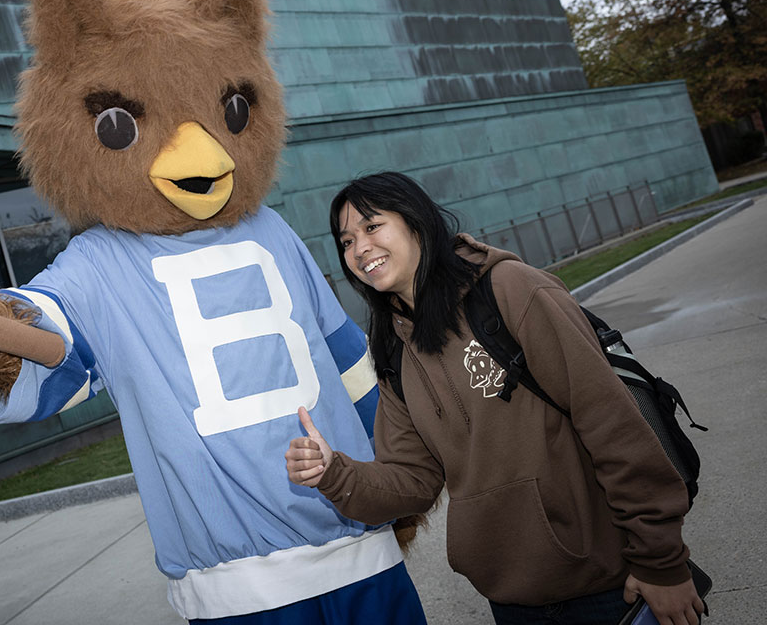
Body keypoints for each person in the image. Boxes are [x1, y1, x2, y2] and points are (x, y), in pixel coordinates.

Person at [284, 172, 705, 625]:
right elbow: (412, 481)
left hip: (610, 587)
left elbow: (612, 425)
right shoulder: (391, 348)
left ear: (417, 223)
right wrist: (333, 472)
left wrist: (661, 563)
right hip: (511, 601)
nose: (359, 249)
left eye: (371, 226)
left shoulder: (509, 290)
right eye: (346, 241)